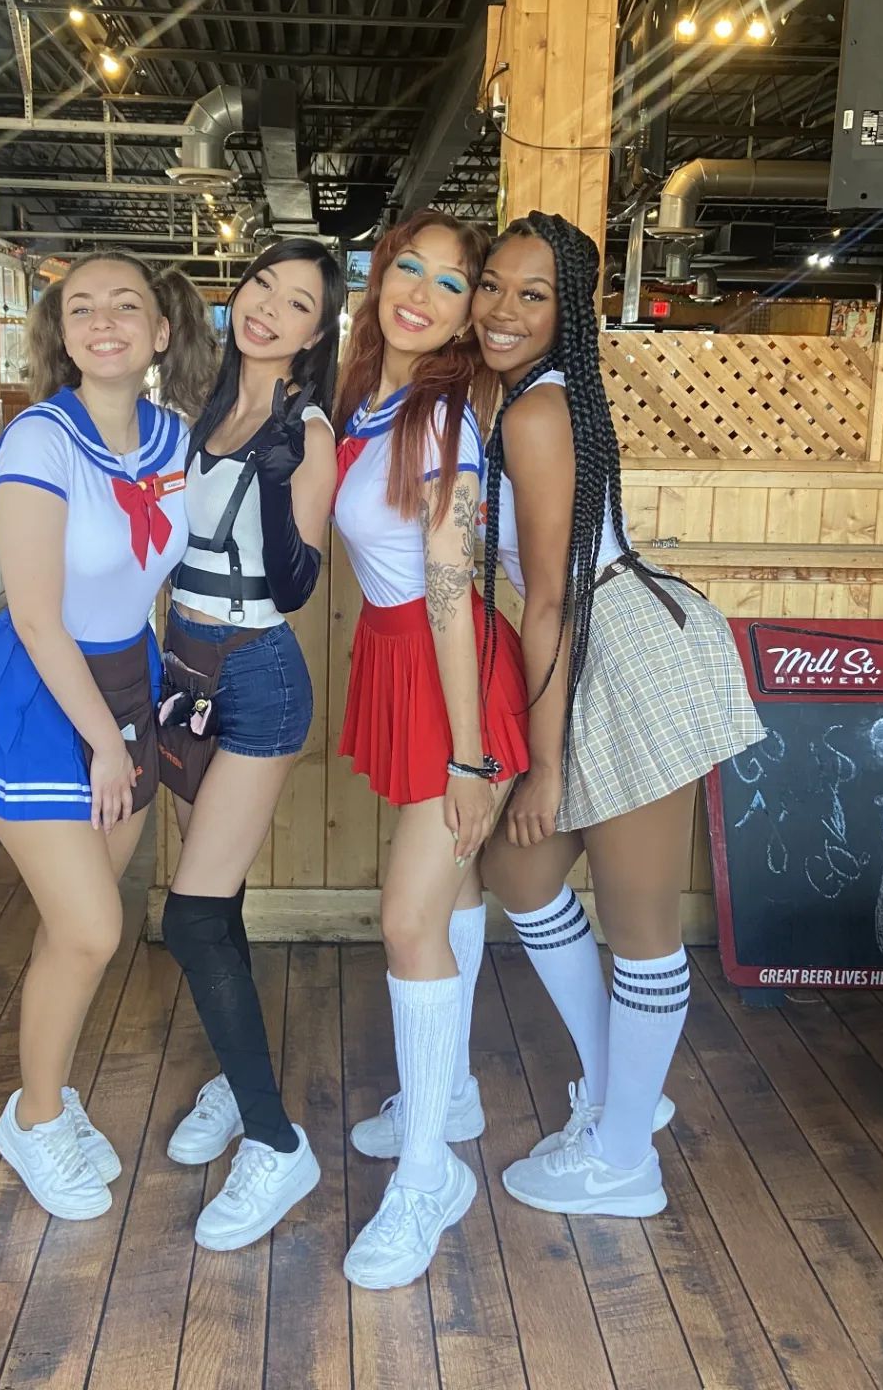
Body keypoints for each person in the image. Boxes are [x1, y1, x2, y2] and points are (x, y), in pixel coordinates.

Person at [472, 211, 764, 1218]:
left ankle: (624, 1162)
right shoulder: (525, 397)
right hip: (594, 643)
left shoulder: (537, 411)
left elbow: (549, 599)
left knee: (641, 925)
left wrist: (546, 768)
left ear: (569, 314)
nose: (504, 310)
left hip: (624, 652)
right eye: (493, 285)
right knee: (517, 870)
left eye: (533, 295)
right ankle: (620, 1095)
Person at [0, 252, 217, 1220]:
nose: (104, 322)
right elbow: (33, 615)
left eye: (126, 307)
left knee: (79, 927)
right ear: (62, 335)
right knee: (95, 927)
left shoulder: (177, 436)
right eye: (83, 309)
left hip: (129, 682)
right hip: (44, 692)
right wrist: (107, 741)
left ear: (160, 332)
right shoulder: (40, 437)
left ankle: (48, 1098)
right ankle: (33, 1117)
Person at [331, 210, 530, 1289]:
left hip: (450, 672)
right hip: (399, 655)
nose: (421, 292)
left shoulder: (443, 415)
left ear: (465, 316)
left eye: (452, 282)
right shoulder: (370, 397)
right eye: (408, 267)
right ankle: (447, 1098)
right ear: (379, 277)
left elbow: (453, 590)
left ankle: (427, 1180)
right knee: (449, 896)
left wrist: (469, 757)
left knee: (408, 919)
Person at [157, 239, 345, 1252]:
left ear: (316, 335)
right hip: (183, 670)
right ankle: (239, 1083)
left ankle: (277, 1143)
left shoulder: (305, 431)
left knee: (189, 919)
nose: (269, 307)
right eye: (263, 284)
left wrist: (275, 481)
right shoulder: (198, 407)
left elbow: (298, 585)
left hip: (259, 674)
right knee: (215, 898)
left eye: (298, 303)